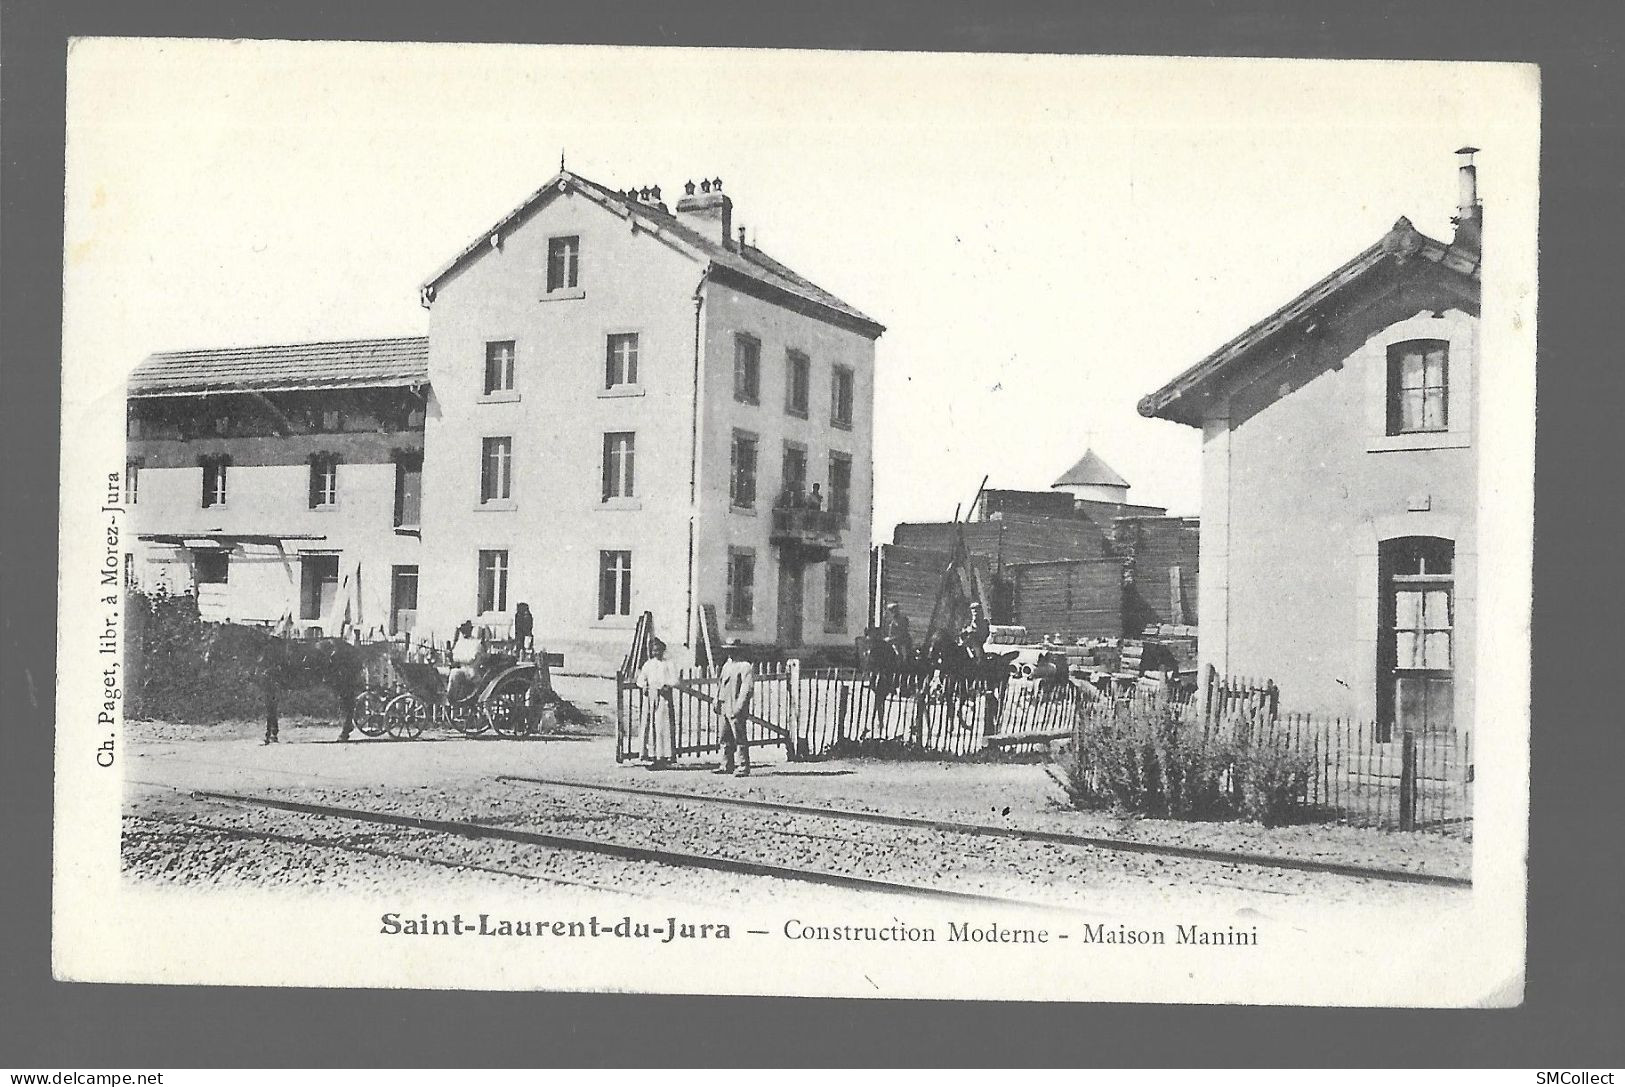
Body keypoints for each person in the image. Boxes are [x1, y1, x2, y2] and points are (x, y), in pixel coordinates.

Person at [712, 640, 756, 776]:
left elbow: (746, 689)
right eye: (728, 649)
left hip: (735, 705)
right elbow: (720, 684)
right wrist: (716, 699)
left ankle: (743, 766)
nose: (731, 652)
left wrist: (739, 706)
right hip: (725, 705)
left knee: (739, 737)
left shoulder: (745, 667)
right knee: (725, 737)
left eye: (734, 649)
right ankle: (726, 764)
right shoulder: (727, 666)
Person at [634, 637, 679, 768]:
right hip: (650, 697)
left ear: (663, 650)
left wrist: (667, 685)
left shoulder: (668, 664)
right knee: (650, 725)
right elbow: (640, 679)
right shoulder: (648, 664)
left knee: (662, 725)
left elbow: (675, 680)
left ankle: (664, 756)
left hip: (664, 696)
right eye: (654, 651)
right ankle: (651, 755)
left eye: (659, 650)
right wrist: (644, 685)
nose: (656, 653)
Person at [447, 620, 483, 703]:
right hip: (462, 669)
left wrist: (457, 659)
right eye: (462, 630)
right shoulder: (460, 643)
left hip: (471, 672)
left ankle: (450, 699)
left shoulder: (476, 643)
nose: (463, 633)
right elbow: (455, 656)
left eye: (465, 630)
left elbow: (471, 659)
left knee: (454, 673)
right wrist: (450, 656)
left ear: (470, 630)